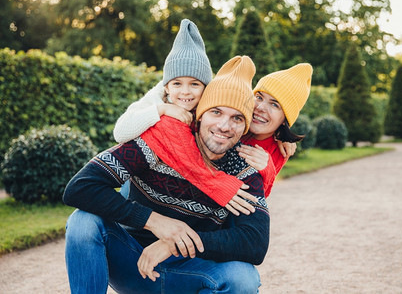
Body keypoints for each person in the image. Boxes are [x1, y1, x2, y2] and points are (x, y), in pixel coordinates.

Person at [63, 55, 269, 293]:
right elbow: (80, 187)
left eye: (237, 118)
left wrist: (173, 244)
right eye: (216, 112)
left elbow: (255, 243)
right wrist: (154, 221)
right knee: (82, 222)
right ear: (200, 115)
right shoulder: (157, 143)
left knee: (243, 278)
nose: (224, 126)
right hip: (133, 263)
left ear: (245, 128)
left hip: (193, 273)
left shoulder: (244, 170)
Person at [114, 18, 260, 215]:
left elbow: (237, 123)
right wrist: (161, 110)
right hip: (140, 179)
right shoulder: (157, 99)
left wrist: (282, 138)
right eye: (177, 84)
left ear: (206, 87)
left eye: (194, 84)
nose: (185, 92)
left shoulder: (208, 106)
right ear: (166, 85)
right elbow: (120, 132)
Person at [115, 62, 313, 197]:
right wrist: (165, 95)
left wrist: (267, 169)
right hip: (153, 186)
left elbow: (257, 200)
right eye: (259, 96)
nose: (260, 107)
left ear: (285, 120)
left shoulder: (277, 150)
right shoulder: (213, 116)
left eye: (275, 105)